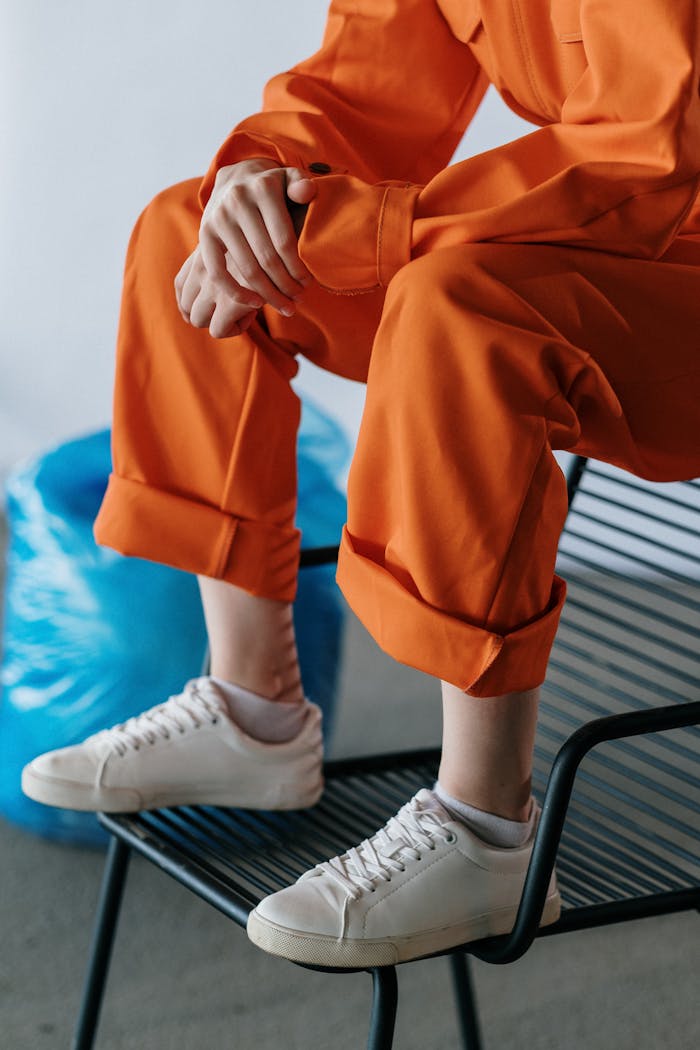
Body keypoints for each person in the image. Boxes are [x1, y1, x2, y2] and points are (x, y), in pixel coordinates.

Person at [21, 0, 700, 967]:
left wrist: (368, 229)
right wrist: (264, 179)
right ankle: (253, 710)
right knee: (196, 229)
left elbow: (650, 147)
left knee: (457, 310)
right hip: (604, 243)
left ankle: (487, 828)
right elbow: (368, 83)